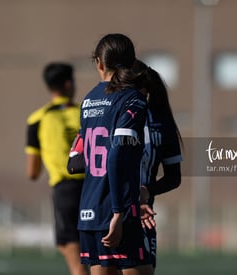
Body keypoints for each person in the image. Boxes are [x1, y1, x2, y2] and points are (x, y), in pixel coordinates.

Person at [74, 33, 154, 275]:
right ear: (132, 62)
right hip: (114, 212)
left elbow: (76, 161)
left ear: (99, 63)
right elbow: (116, 154)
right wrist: (119, 210)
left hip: (88, 210)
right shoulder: (133, 99)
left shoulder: (88, 100)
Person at [25, 62, 88, 275]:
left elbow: (32, 172)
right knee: (102, 255)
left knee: (72, 250)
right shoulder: (87, 112)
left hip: (66, 190)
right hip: (96, 186)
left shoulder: (37, 119)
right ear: (69, 84)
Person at [133, 60, 183, 272]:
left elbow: (174, 177)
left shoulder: (161, 123)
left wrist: (147, 190)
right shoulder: (111, 114)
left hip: (142, 217)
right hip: (108, 214)